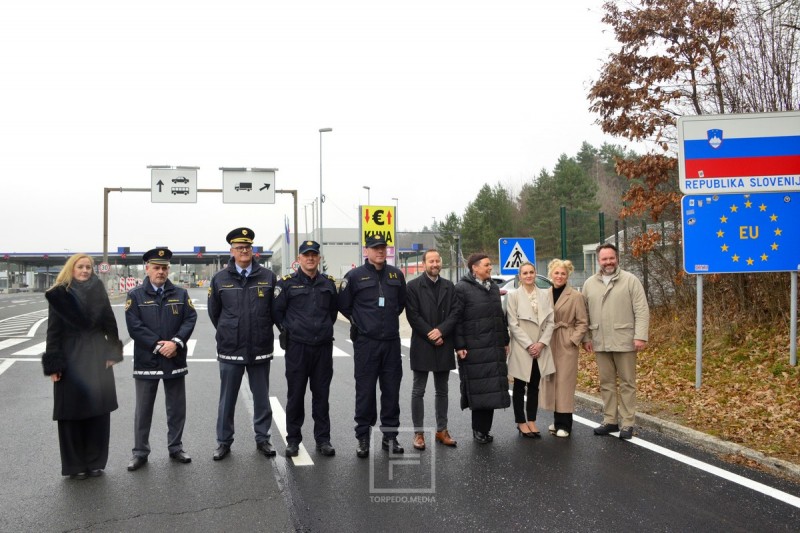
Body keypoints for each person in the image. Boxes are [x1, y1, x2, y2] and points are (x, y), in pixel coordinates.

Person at [41, 254, 123, 480]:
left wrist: (112, 352)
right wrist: (54, 365)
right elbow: (53, 332)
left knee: (98, 411)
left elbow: (110, 323)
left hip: (97, 355)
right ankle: (75, 465)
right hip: (70, 358)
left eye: (88, 267)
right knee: (71, 413)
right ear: (72, 268)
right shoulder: (59, 295)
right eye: (81, 266)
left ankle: (95, 462)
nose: (85, 270)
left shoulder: (98, 290)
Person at [125, 248, 197, 471]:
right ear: (147, 269)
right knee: (143, 410)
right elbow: (134, 327)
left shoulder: (181, 294)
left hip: (174, 358)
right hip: (147, 360)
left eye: (164, 268)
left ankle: (176, 448)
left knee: (176, 408)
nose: (161, 272)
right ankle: (140, 452)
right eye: (156, 267)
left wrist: (175, 342)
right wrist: (159, 345)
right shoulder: (135, 295)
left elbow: (190, 318)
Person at [208, 227, 278, 460]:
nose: (244, 251)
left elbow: (274, 311)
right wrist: (229, 331)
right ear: (232, 251)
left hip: (260, 347)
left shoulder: (268, 277)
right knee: (227, 400)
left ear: (252, 250)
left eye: (247, 247)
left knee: (261, 398)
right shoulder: (220, 279)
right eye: (239, 248)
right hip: (231, 348)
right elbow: (215, 313)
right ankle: (224, 441)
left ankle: (263, 439)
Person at [338, 234, 407, 458]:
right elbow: (344, 305)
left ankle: (390, 436)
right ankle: (363, 437)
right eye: (375, 248)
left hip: (391, 343)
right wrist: (362, 323)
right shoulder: (354, 276)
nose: (380, 251)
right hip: (366, 343)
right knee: (365, 392)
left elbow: (400, 304)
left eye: (383, 248)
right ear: (366, 251)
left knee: (391, 391)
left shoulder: (396, 275)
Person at [272, 240, 338, 458]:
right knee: (296, 395)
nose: (310, 258)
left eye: (314, 255)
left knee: (322, 396)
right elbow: (277, 312)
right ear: (299, 259)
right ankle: (293, 440)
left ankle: (323, 440)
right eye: (306, 255)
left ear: (319, 258)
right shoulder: (286, 284)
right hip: (297, 348)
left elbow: (332, 312)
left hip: (323, 348)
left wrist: (322, 329)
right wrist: (290, 330)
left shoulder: (328, 283)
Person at [582, 243, 650, 440]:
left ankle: (627, 423)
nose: (608, 262)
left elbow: (641, 310)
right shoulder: (589, 284)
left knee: (628, 383)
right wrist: (586, 338)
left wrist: (640, 336)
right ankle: (610, 420)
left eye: (611, 258)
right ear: (598, 261)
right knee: (606, 383)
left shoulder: (630, 280)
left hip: (625, 341)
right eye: (604, 259)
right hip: (600, 341)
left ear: (617, 258)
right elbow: (584, 314)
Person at [454, 253, 510, 444]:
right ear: (474, 268)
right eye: (486, 265)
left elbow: (500, 317)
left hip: (494, 345)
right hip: (474, 348)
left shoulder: (493, 288)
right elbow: (457, 319)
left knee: (492, 388)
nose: (490, 267)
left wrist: (505, 340)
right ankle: (478, 429)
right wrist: (459, 345)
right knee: (479, 388)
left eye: (490, 264)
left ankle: (484, 429)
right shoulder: (461, 288)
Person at [405, 249, 459, 450]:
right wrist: (431, 334)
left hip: (444, 342)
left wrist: (441, 331)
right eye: (431, 261)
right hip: (422, 343)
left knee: (442, 390)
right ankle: (418, 433)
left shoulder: (449, 286)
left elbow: (455, 312)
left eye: (437, 261)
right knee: (418, 390)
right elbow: (413, 315)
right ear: (424, 264)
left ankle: (442, 430)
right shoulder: (412, 286)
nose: (435, 264)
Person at [541, 258, 588, 438]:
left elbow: (582, 322)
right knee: (552, 381)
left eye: (563, 273)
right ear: (551, 274)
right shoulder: (544, 294)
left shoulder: (576, 296)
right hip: (548, 340)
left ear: (568, 276)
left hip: (566, 340)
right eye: (556, 273)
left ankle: (565, 424)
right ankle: (557, 420)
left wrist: (572, 340)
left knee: (565, 383)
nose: (559, 276)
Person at [506, 261, 554, 438]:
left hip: (540, 348)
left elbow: (551, 322)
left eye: (531, 272)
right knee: (519, 386)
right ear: (520, 276)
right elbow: (513, 324)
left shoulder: (544, 295)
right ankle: (521, 421)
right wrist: (529, 345)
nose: (528, 276)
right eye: (525, 273)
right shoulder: (513, 296)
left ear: (535, 273)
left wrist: (541, 344)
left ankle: (532, 420)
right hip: (522, 348)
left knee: (534, 386)